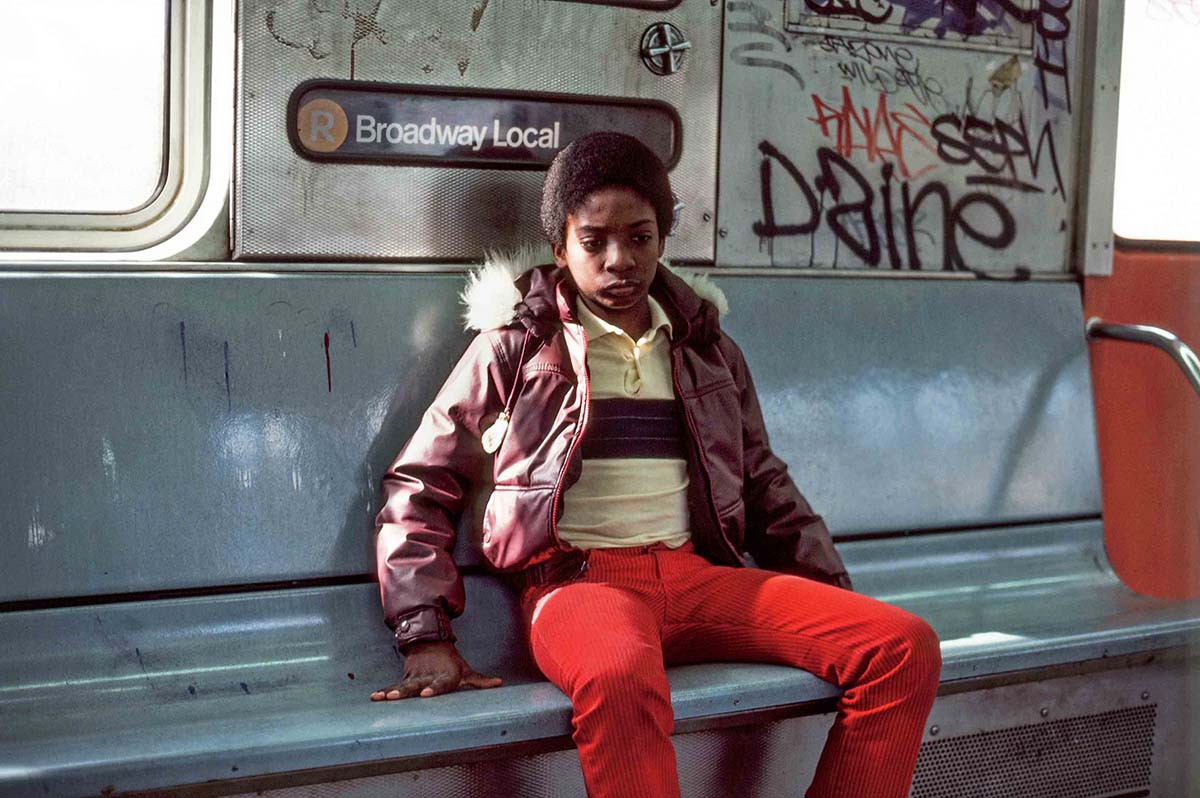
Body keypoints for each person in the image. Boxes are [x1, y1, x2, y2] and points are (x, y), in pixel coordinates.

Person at [371, 131, 941, 798]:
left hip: (696, 578)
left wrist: (826, 591)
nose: (620, 260)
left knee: (902, 649)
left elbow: (761, 479)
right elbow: (420, 483)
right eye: (595, 241)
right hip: (579, 586)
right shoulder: (517, 347)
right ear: (561, 248)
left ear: (662, 239)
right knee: (618, 682)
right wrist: (423, 634)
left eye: (640, 237)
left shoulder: (704, 346)